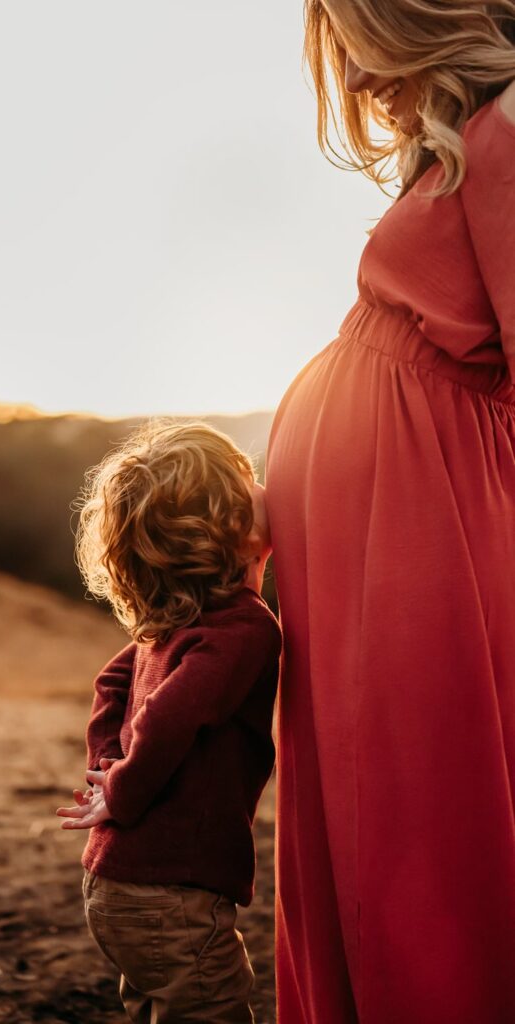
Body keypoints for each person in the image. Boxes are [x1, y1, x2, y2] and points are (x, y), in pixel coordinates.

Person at [265, 2, 515, 1022]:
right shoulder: (473, 138)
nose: (362, 87)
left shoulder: (508, 132)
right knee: (367, 813)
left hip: (424, 526)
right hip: (377, 525)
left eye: (363, 52)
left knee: (413, 811)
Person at [56, 420, 282, 1023]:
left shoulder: (172, 624)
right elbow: (167, 718)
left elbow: (111, 684)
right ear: (231, 522)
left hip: (115, 885)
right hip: (171, 893)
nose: (266, 485)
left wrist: (107, 767)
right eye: (248, 479)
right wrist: (123, 790)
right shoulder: (245, 629)